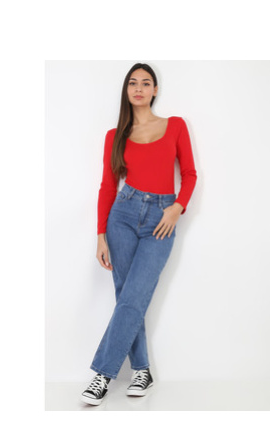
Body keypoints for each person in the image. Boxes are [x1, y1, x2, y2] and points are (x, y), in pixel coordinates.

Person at [81, 63, 198, 406]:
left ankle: (104, 374)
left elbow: (190, 174)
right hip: (123, 215)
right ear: (126, 90)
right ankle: (141, 371)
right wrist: (100, 234)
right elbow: (107, 187)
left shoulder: (175, 126)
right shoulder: (115, 135)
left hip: (162, 218)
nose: (139, 88)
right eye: (133, 83)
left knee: (134, 297)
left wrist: (176, 208)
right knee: (127, 298)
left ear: (155, 90)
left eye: (146, 83)